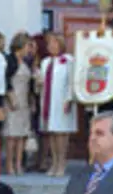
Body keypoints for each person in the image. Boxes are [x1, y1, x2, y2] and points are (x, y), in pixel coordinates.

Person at [37, 33, 77, 177]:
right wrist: (38, 83)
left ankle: (61, 163)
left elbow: (72, 81)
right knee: (52, 132)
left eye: (54, 43)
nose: (51, 46)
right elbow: (41, 81)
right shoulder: (45, 62)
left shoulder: (68, 60)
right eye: (50, 44)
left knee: (61, 132)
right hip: (48, 100)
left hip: (62, 100)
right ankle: (53, 162)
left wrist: (69, 98)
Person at [2, 33, 34, 175]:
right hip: (13, 99)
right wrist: (10, 98)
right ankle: (9, 165)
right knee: (11, 135)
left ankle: (18, 164)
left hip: (24, 100)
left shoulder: (26, 62)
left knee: (22, 134)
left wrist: (32, 101)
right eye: (28, 46)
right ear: (20, 46)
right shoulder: (10, 60)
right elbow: (5, 80)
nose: (29, 49)